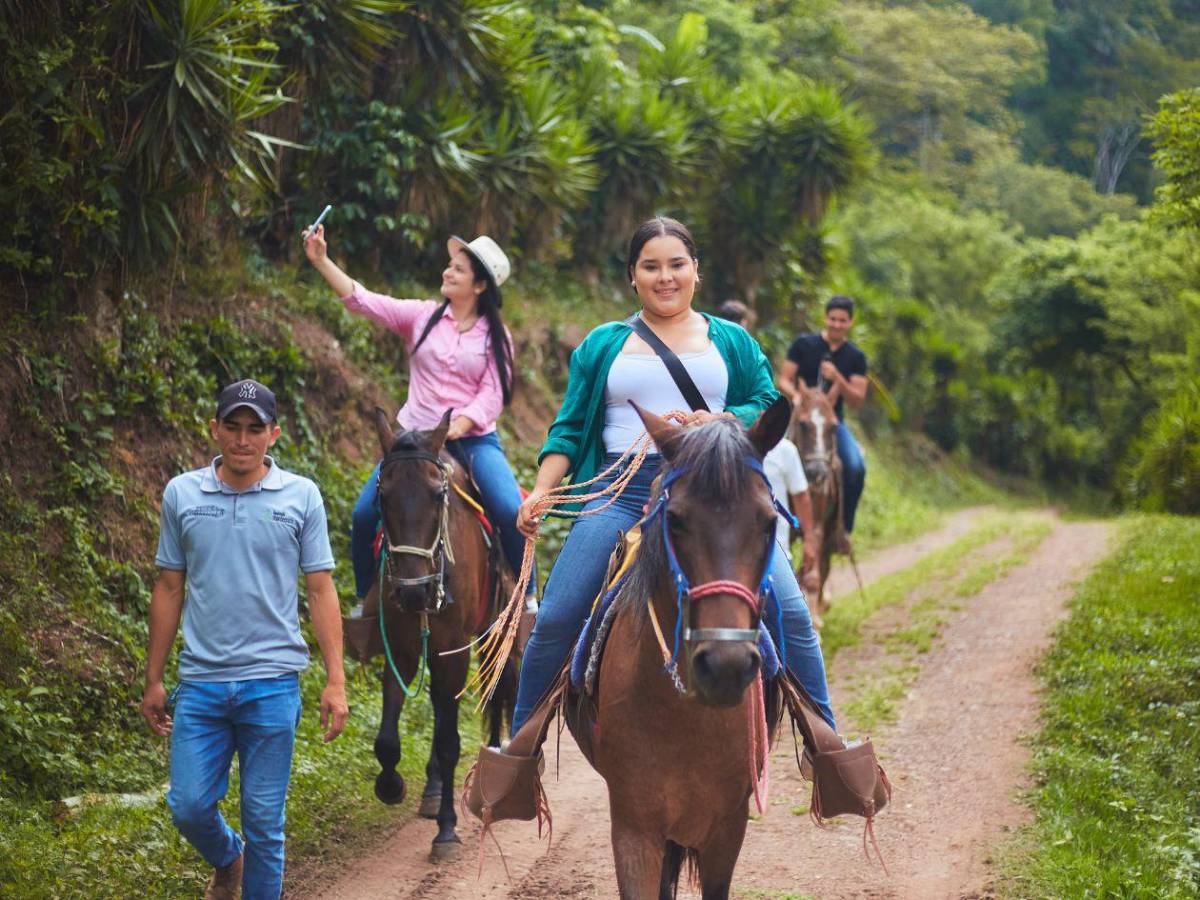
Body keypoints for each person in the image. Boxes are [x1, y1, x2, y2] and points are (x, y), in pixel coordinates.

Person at [511, 216, 836, 733]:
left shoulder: (730, 338)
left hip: (716, 496)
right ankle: (517, 759)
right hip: (620, 496)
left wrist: (726, 418)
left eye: (677, 265)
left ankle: (829, 745)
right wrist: (543, 492)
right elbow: (568, 430)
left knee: (792, 613)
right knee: (555, 618)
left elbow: (767, 401)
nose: (666, 277)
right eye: (652, 266)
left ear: (696, 271)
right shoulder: (602, 344)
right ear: (633, 277)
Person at [140, 379, 349, 900]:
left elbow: (321, 591)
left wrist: (335, 681)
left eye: (255, 428)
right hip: (203, 685)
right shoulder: (182, 494)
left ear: (273, 434)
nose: (242, 439)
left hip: (272, 684)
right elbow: (169, 587)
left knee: (266, 824)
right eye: (232, 427)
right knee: (187, 804)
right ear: (214, 430)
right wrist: (154, 678)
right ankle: (227, 857)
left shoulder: (302, 496)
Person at [302, 226, 536, 619]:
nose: (448, 272)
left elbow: (493, 394)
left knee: (510, 508)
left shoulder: (497, 336)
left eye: (458, 270)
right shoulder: (422, 316)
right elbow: (364, 301)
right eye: (450, 266)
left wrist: (459, 426)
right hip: (412, 442)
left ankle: (527, 601)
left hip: (472, 441)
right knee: (363, 514)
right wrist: (321, 259)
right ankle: (366, 601)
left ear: (480, 285)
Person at [712, 298, 816, 574]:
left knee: (849, 464)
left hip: (819, 414)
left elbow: (765, 395)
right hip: (716, 433)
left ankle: (840, 526)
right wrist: (794, 395)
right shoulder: (705, 348)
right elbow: (783, 382)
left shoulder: (749, 351)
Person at [778, 295, 869, 534]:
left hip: (831, 424)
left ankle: (843, 530)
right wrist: (796, 397)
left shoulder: (856, 357)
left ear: (850, 322)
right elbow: (784, 379)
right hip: (801, 418)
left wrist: (837, 377)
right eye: (833, 319)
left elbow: (858, 399)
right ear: (825, 318)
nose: (836, 324)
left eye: (842, 320)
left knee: (855, 467)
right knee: (770, 458)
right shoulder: (803, 344)